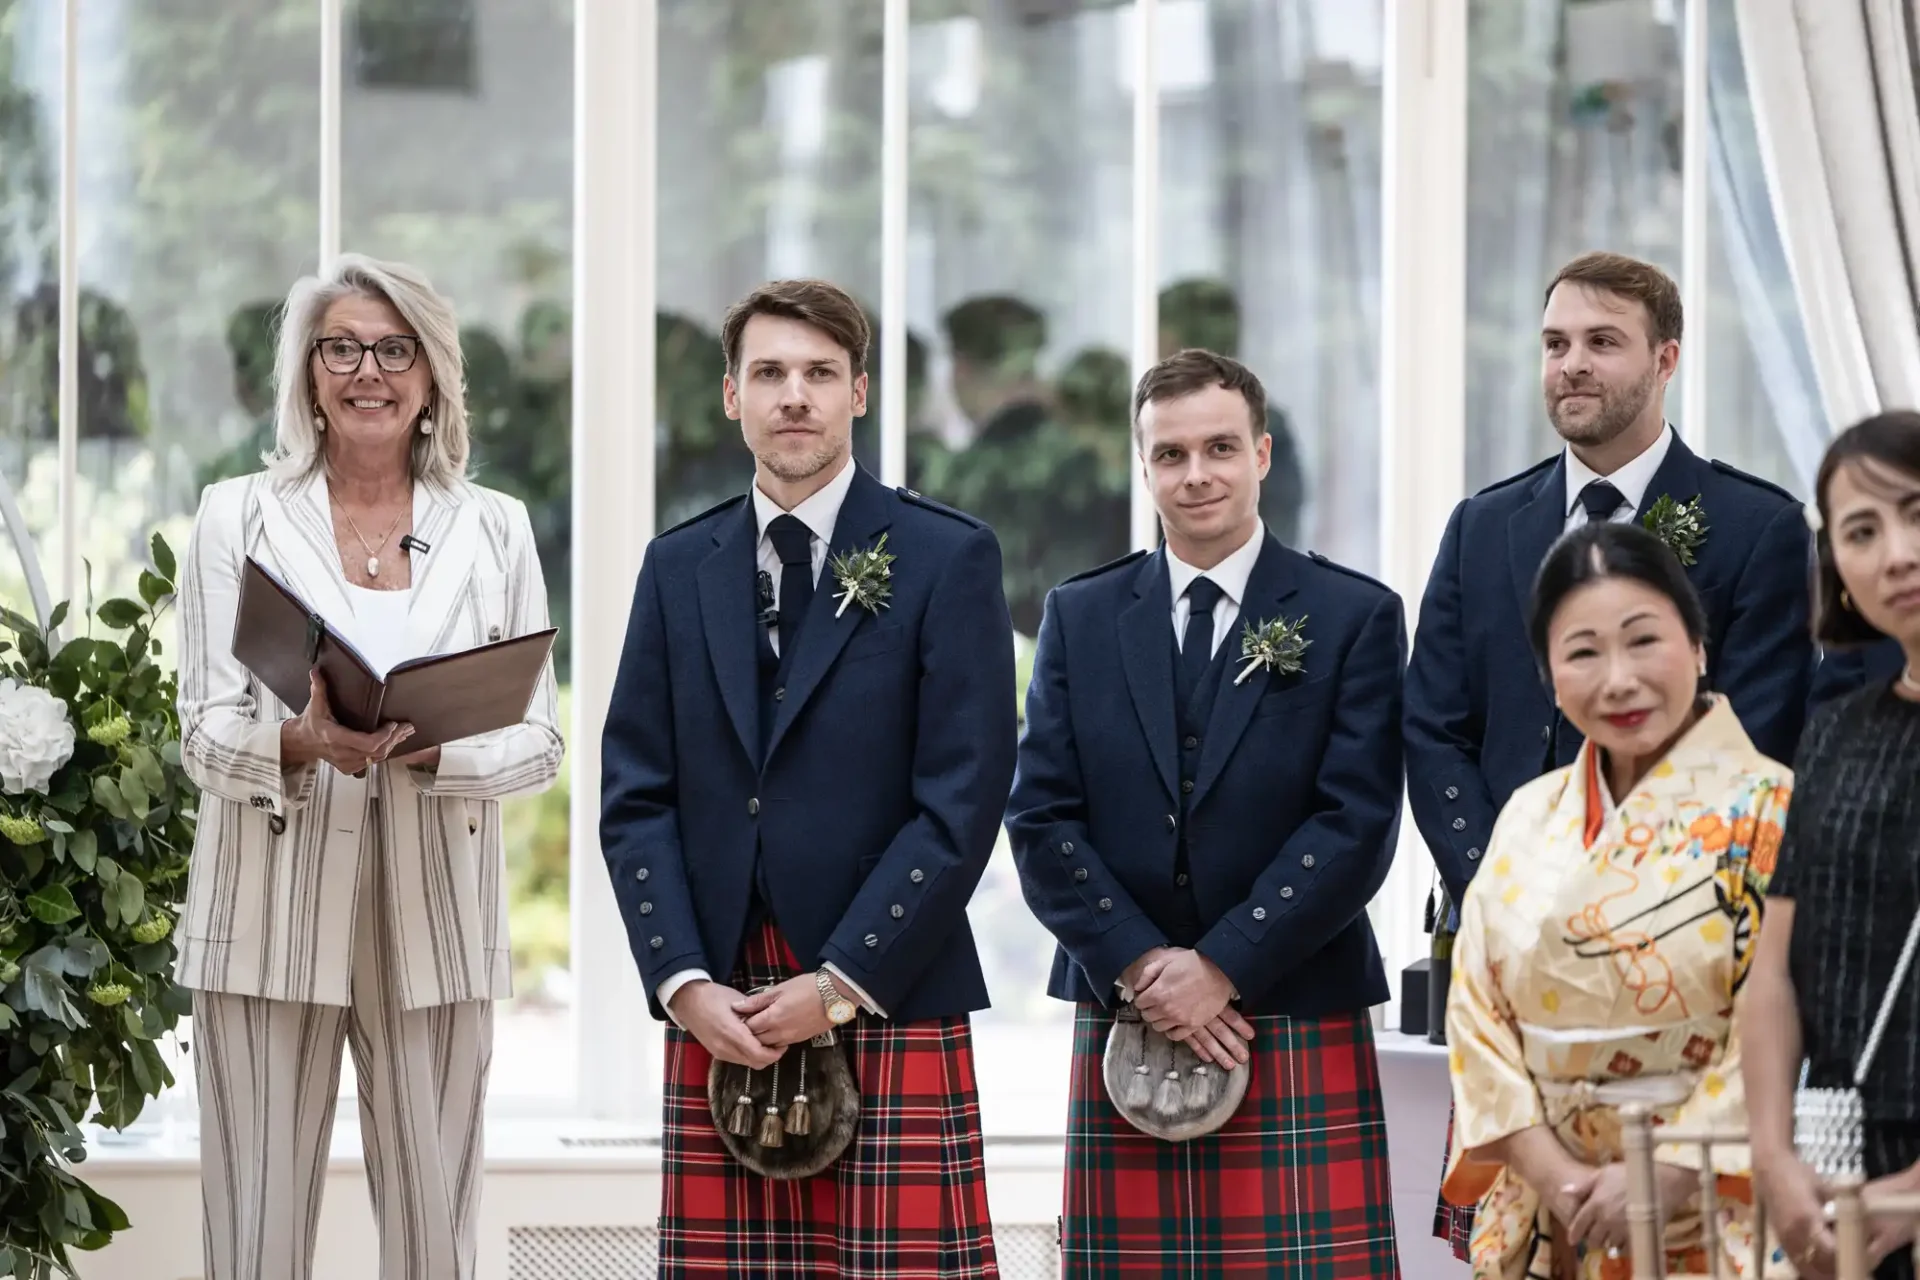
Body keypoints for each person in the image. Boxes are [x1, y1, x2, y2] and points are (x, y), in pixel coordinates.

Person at [1405, 251, 1823, 1255]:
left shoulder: (1757, 525)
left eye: (1602, 342)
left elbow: (1759, 736)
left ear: (1666, 356)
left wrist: (1613, 904)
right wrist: (1505, 886)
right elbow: (1433, 724)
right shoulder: (1479, 524)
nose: (1571, 365)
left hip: (1695, 973)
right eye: (1555, 344)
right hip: (1515, 974)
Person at [599, 278, 1015, 1277]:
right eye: (772, 373)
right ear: (731, 395)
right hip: (723, 997)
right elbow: (635, 789)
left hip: (884, 977)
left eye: (820, 373)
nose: (796, 395)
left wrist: (840, 982)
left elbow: (963, 795)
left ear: (860, 392)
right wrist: (682, 980)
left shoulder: (947, 555)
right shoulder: (674, 566)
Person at [174, 254, 564, 1280]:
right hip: (264, 916)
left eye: (396, 349)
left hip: (433, 920)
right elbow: (203, 731)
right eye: (340, 347)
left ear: (433, 375)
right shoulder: (234, 514)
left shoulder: (497, 527)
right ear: (309, 373)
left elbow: (540, 738)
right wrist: (300, 739)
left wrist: (439, 745)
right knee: (252, 1239)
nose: (368, 371)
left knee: (437, 1241)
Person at [1006, 348, 1403, 1277]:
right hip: (1125, 1012)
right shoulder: (1080, 613)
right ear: (1141, 467)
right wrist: (1146, 964)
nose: (1198, 474)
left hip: (1291, 1004)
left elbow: (1358, 821)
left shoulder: (1354, 616)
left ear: (1262, 454)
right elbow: (1040, 816)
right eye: (1171, 454)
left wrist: (1225, 963)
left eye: (1220, 447)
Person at [1443, 519, 1788, 1279]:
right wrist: (1556, 1176)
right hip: (1557, 1205)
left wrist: (1663, 1173)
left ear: (1698, 645)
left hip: (1712, 1202)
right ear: (1549, 677)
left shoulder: (1773, 808)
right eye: (1583, 652)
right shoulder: (1528, 814)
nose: (1618, 679)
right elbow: (1476, 1014)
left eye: (1643, 640)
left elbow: (1793, 1018)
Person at [1742, 411, 1920, 1280]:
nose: (1897, 552)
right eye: (1863, 530)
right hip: (1839, 1174)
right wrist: (1774, 1157)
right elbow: (1774, 969)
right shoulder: (1836, 734)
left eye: (1917, 511)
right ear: (1837, 571)